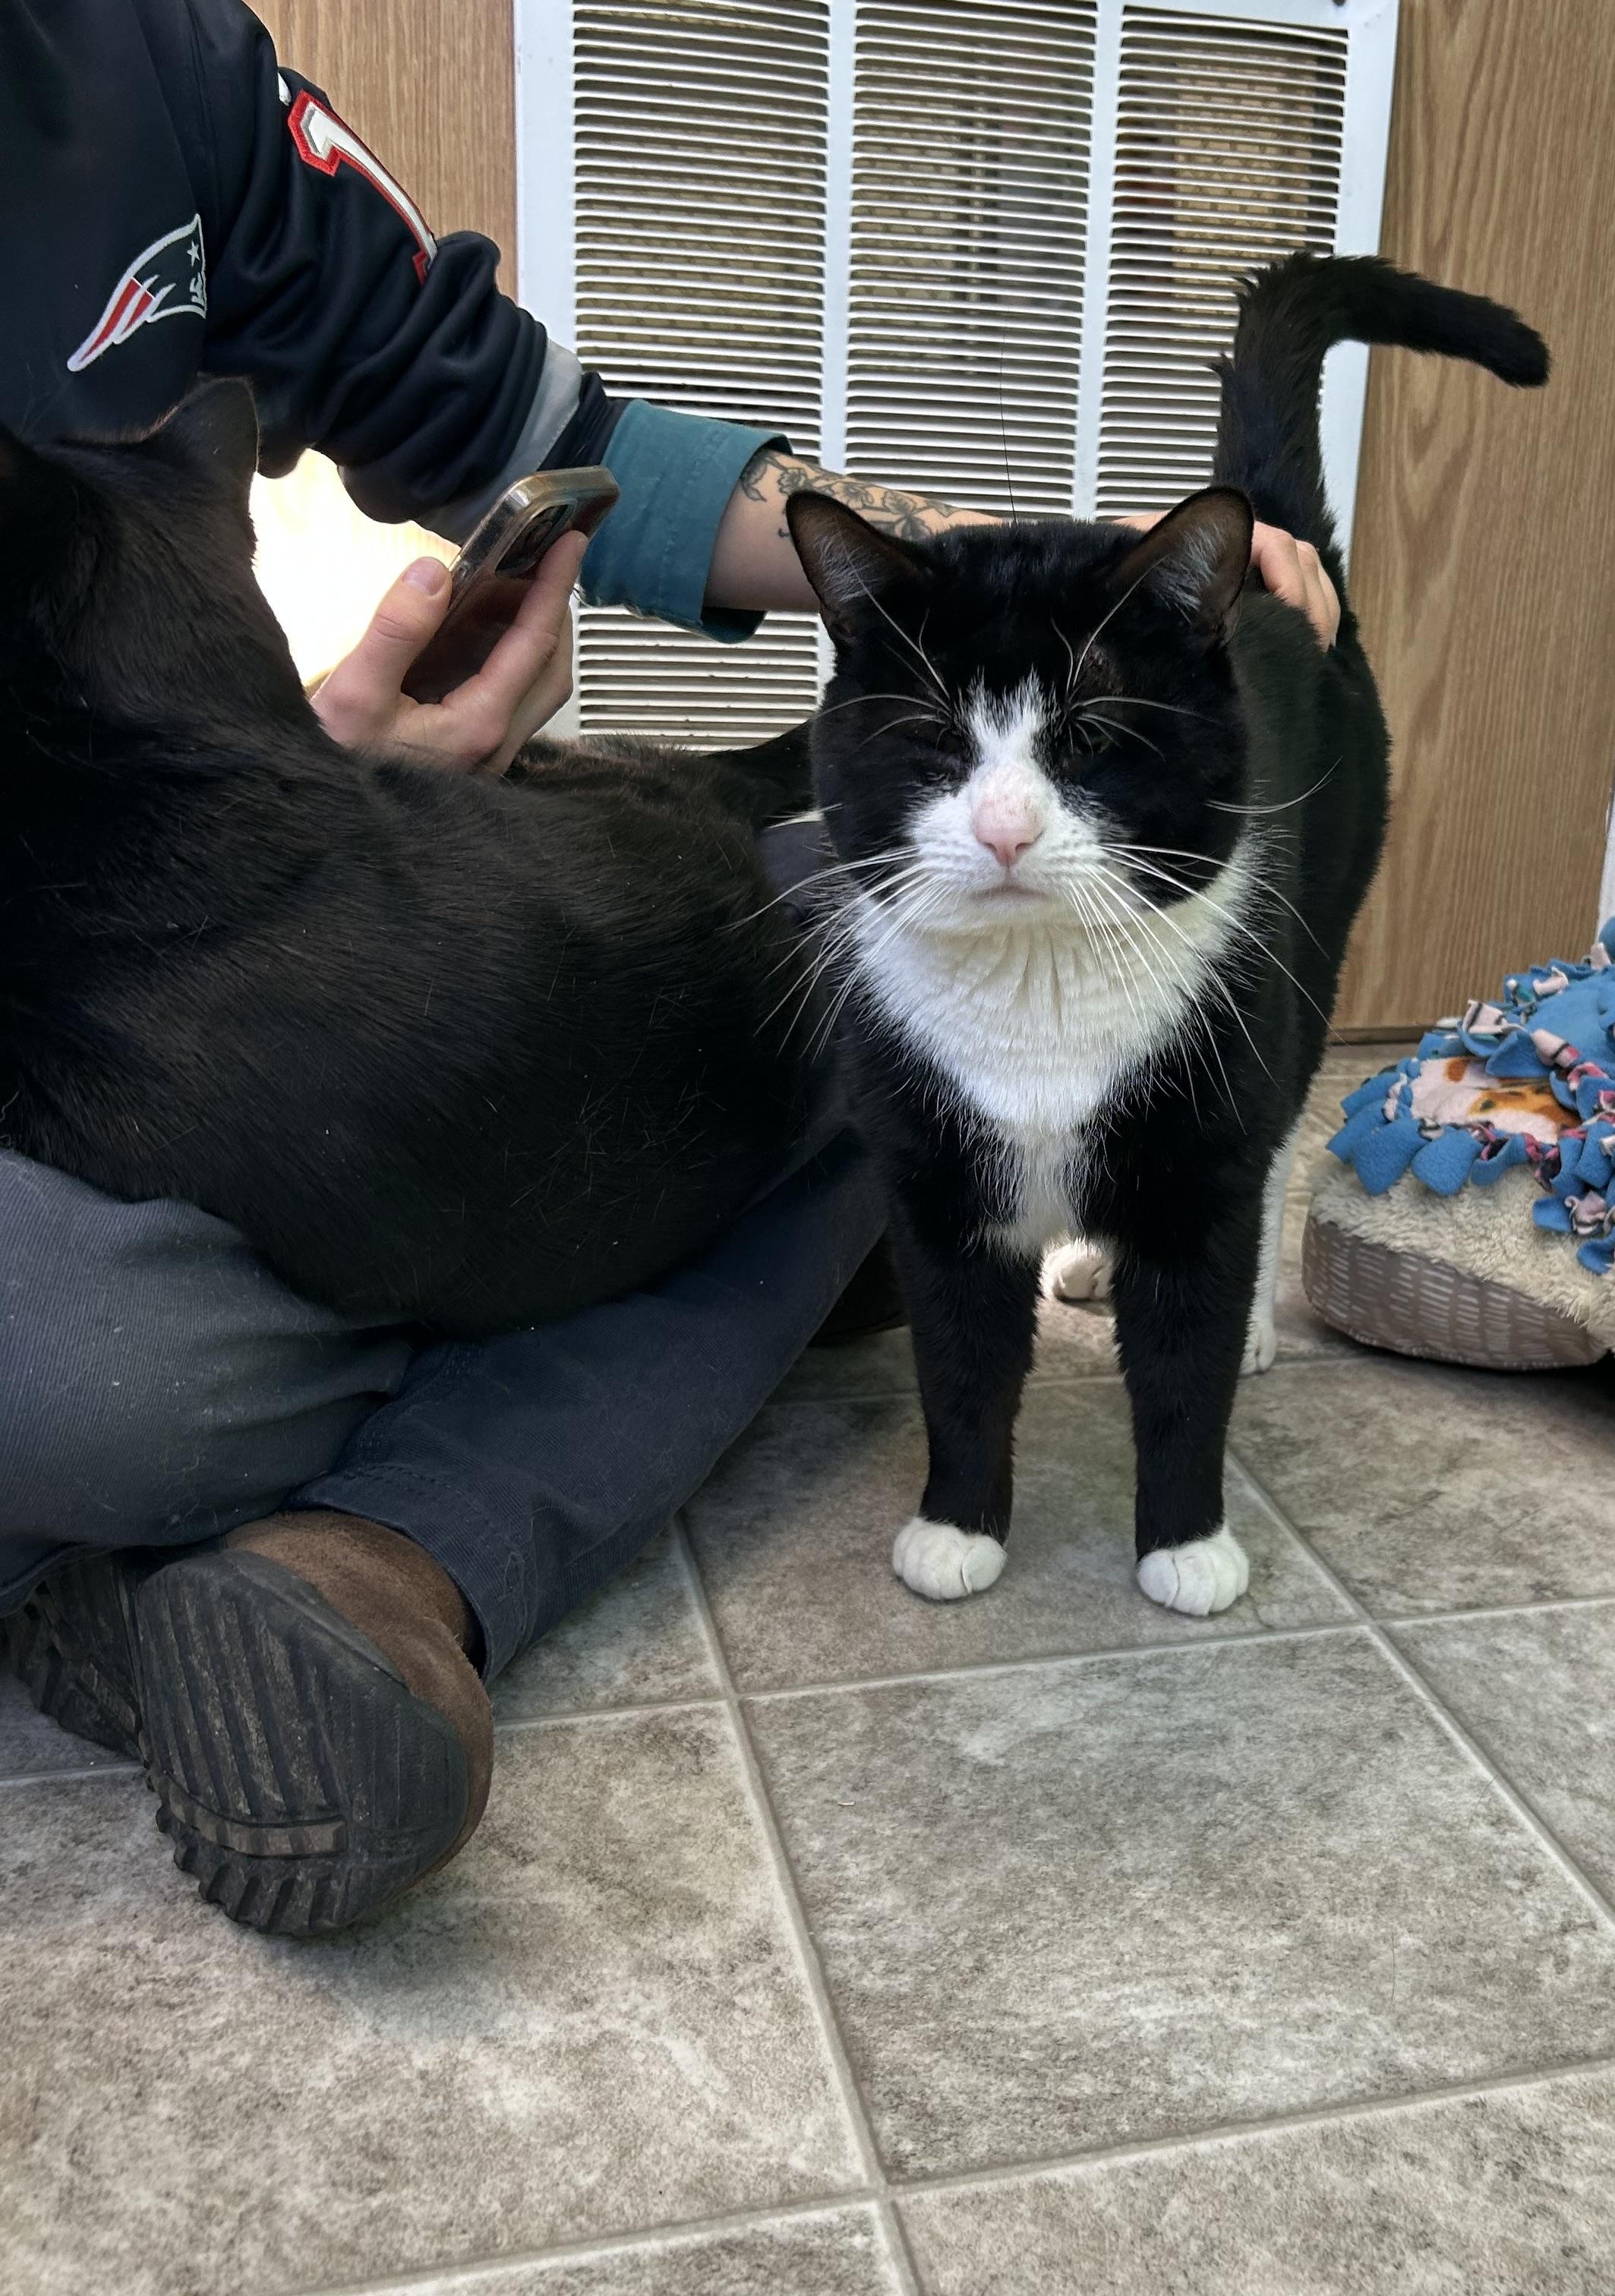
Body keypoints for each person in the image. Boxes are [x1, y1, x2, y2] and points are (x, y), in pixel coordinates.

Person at [0, 0, 1339, 1935]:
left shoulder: (145, 61)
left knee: (863, 1000)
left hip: (213, 884)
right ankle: (405, 1475)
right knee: (84, 1370)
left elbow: (511, 416)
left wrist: (987, 578)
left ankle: (368, 1550)